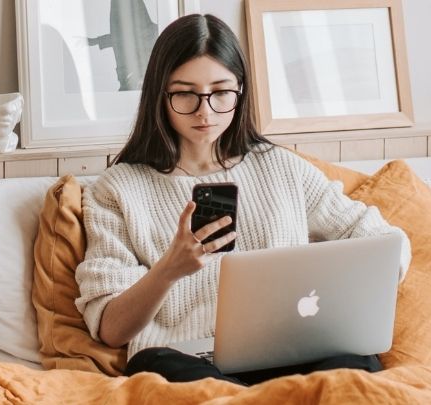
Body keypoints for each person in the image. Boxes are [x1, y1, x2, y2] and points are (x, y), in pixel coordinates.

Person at [74, 14, 411, 386]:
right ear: (160, 95)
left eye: (220, 92)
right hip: (188, 360)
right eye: (186, 93)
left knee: (358, 369)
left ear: (241, 91)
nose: (205, 111)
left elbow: (384, 241)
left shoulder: (282, 167)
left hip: (294, 350)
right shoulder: (116, 189)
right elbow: (110, 329)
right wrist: (168, 269)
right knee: (162, 371)